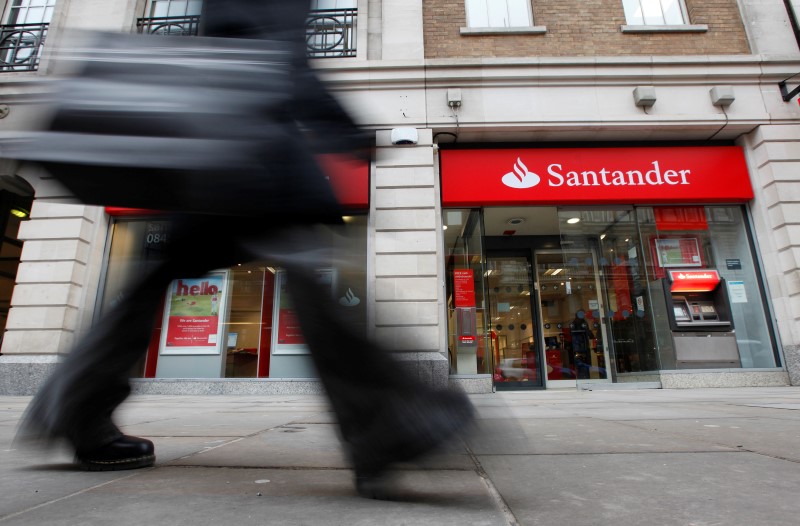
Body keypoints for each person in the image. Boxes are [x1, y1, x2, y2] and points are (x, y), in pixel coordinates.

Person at [16, 0, 473, 499]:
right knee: (302, 268)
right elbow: (262, 39)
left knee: (161, 279)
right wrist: (334, 120)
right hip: (248, 143)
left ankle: (77, 405)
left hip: (221, 138)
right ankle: (389, 422)